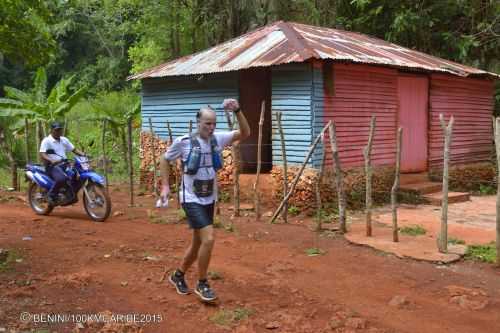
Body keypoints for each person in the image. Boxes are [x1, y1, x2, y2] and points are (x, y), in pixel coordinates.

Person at [160, 98, 250, 302]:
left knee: (198, 243)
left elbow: (245, 133)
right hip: (190, 198)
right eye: (207, 123)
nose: (211, 127)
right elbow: (164, 159)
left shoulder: (218, 139)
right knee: (209, 238)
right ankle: (202, 283)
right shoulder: (184, 142)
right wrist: (165, 186)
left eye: (214, 123)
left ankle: (178, 275)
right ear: (198, 122)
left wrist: (238, 110)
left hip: (209, 198)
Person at [39, 121, 85, 205]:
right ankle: (51, 195)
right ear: (51, 130)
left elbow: (74, 149)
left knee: (78, 175)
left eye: (60, 130)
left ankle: (70, 195)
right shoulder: (47, 141)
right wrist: (51, 160)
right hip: (51, 166)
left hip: (64, 164)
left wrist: (84, 154)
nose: (58, 132)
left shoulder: (64, 140)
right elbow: (42, 154)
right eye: (56, 130)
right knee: (62, 179)